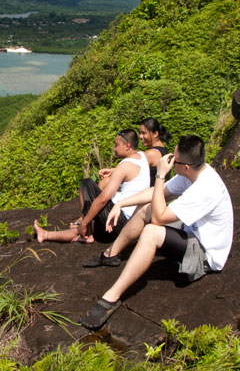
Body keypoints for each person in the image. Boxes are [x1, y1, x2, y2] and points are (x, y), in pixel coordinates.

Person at [80, 135, 234, 330]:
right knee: (147, 209)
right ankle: (110, 254)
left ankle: (111, 297)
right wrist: (121, 203)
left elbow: (159, 218)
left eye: (173, 159)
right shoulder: (194, 172)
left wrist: (161, 174)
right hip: (194, 230)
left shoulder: (204, 188)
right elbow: (159, 193)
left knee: (152, 232)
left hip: (205, 254)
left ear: (185, 166)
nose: (168, 161)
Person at [34, 129, 150, 243]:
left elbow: (103, 200)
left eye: (116, 145)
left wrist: (84, 223)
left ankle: (86, 231)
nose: (114, 148)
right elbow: (133, 172)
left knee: (87, 184)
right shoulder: (142, 155)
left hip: (119, 221)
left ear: (127, 146)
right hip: (134, 223)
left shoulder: (124, 166)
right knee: (86, 225)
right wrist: (113, 170)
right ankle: (46, 234)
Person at [139, 117, 171, 182]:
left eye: (144, 133)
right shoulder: (164, 151)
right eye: (140, 133)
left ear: (155, 134)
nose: (140, 136)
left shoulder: (151, 153)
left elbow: (132, 172)